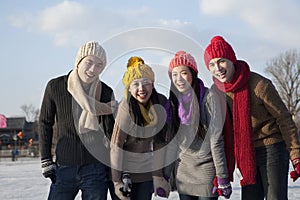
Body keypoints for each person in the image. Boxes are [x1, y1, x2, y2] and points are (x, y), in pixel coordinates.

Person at [203, 35, 300, 200]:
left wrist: (296, 154)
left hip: (272, 147)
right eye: (212, 64)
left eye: (221, 61)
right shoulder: (216, 91)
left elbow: (283, 118)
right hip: (246, 152)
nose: (217, 68)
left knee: (274, 197)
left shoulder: (259, 85)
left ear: (232, 60)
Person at [39, 41, 118, 200]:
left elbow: (112, 134)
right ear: (79, 61)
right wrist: (46, 159)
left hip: (95, 169)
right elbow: (45, 123)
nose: (92, 69)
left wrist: (120, 167)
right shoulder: (56, 86)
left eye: (99, 65)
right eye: (89, 62)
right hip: (64, 168)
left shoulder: (105, 92)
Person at [166, 51, 232, 200]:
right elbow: (172, 142)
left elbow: (216, 140)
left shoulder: (209, 98)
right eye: (174, 75)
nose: (179, 79)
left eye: (183, 73)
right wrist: (164, 175)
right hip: (184, 176)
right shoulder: (173, 102)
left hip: (206, 175)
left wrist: (222, 176)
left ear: (192, 74)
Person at [110, 56, 170, 200]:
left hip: (145, 172)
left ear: (152, 84)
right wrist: (117, 181)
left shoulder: (160, 103)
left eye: (145, 83)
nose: (141, 88)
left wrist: (157, 176)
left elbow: (159, 143)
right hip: (123, 170)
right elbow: (116, 145)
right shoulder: (126, 107)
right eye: (135, 84)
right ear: (129, 89)